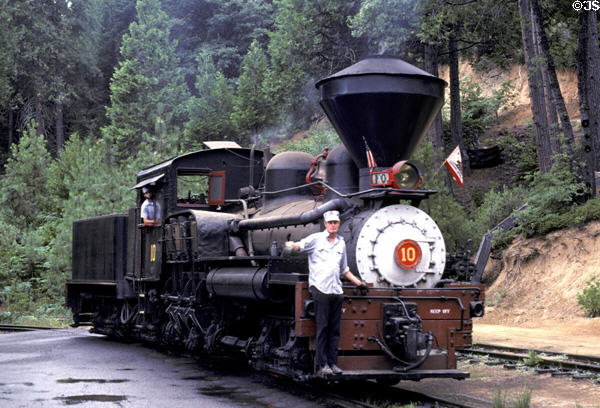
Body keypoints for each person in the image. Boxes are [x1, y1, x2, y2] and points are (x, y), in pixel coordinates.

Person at [283, 210, 368, 377]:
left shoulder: (341, 243)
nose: (333, 225)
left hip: (336, 290)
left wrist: (359, 283)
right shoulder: (316, 240)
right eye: (330, 222)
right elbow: (300, 246)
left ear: (338, 223)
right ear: (325, 223)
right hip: (320, 289)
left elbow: (344, 269)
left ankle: (333, 363)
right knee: (322, 328)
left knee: (335, 330)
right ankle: (322, 364)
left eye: (335, 222)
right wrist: (291, 246)